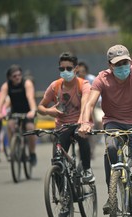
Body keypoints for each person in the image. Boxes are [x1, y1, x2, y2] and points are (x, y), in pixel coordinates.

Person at [78, 44, 132, 217]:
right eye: (118, 64)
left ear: (130, 61)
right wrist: (85, 122)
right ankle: (113, 194)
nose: (122, 66)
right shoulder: (102, 78)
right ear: (110, 65)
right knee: (112, 148)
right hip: (114, 122)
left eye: (125, 62)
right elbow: (90, 103)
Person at [37, 52, 94, 182]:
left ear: (76, 69)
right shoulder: (55, 86)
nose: (65, 71)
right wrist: (48, 111)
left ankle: (86, 169)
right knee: (57, 162)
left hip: (80, 123)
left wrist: (82, 122)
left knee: (81, 135)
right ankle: (63, 196)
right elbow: (40, 107)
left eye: (69, 68)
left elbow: (86, 104)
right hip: (62, 126)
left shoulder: (83, 84)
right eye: (62, 69)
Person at [0, 64, 38, 165]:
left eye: (19, 75)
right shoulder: (6, 86)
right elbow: (1, 101)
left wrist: (32, 110)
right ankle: (13, 149)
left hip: (28, 112)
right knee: (10, 125)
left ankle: (32, 153)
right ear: (10, 77)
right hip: (15, 111)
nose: (17, 77)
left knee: (30, 128)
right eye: (14, 76)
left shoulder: (27, 83)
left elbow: (30, 98)